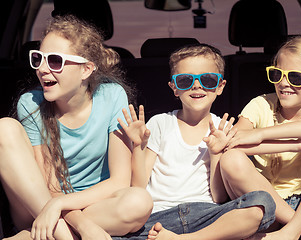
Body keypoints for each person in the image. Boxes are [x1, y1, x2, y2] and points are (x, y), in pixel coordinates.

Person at [0, 15, 152, 240]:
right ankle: (65, 236)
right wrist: (83, 225)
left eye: (55, 61)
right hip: (39, 206)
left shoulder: (112, 96)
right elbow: (49, 187)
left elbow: (119, 181)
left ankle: (37, 236)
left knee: (140, 201)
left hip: (93, 206)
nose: (43, 69)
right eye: (38, 59)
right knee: (4, 127)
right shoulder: (31, 103)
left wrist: (67, 208)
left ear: (86, 70)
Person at [116, 43, 276, 240]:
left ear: (220, 87)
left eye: (208, 80)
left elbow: (218, 197)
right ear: (174, 88)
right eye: (185, 80)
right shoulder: (160, 123)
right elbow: (139, 187)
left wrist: (216, 153)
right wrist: (139, 147)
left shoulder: (222, 127)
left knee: (261, 203)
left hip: (206, 215)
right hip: (159, 217)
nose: (197, 85)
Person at [220, 34, 301, 240]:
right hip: (267, 209)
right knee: (229, 159)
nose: (283, 83)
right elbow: (232, 145)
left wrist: (260, 134)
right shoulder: (261, 105)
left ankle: (291, 231)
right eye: (276, 74)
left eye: (295, 77)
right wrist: (295, 145)